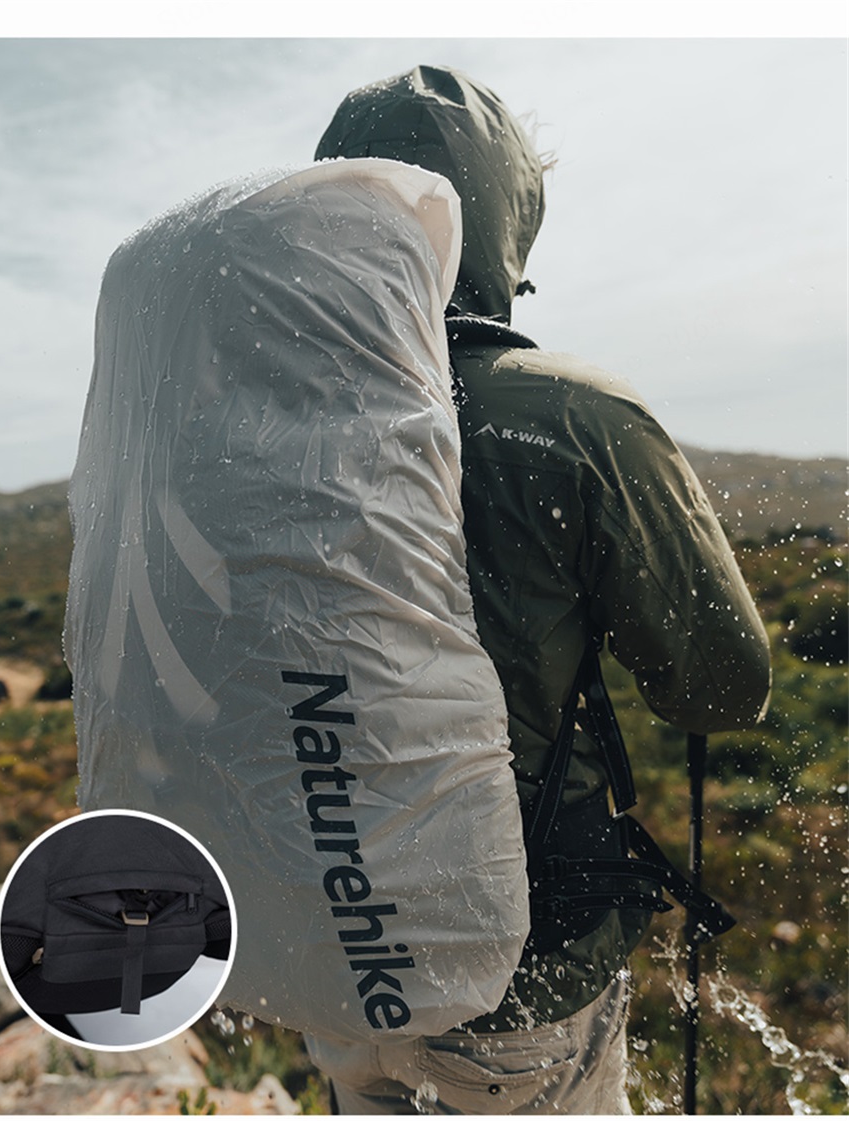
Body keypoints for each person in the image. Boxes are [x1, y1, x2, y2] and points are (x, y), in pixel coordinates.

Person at [306, 65, 772, 1115]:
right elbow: (721, 687)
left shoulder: (275, 427)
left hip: (327, 945)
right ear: (504, 222)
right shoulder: (572, 416)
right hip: (518, 971)